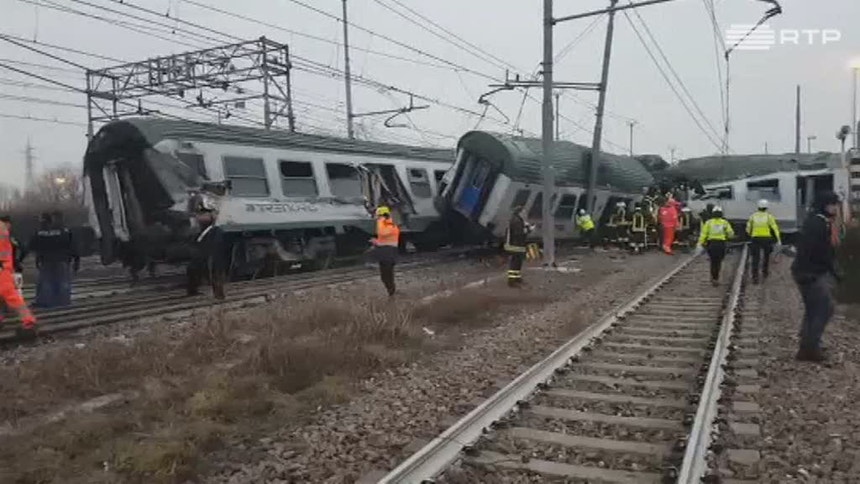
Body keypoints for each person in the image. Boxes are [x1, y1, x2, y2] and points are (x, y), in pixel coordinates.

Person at [791, 191, 841, 362]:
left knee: (814, 310)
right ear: (824, 205)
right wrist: (832, 271)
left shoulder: (817, 221)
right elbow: (818, 251)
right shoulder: (818, 224)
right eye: (832, 204)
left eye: (835, 204)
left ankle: (807, 346)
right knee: (824, 309)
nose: (835, 207)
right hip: (811, 273)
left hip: (807, 271)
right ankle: (810, 348)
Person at [24, 211, 79, 308]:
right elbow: (73, 247)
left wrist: (35, 257)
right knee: (63, 281)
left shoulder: (41, 233)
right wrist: (76, 261)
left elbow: (32, 246)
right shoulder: (65, 232)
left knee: (46, 281)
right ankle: (63, 301)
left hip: (46, 261)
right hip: (62, 260)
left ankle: (45, 302)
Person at [0, 215, 37, 337]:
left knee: (12, 297)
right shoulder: (3, 228)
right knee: (9, 296)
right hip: (5, 268)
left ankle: (29, 321)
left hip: (2, 269)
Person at [187, 201, 226, 300]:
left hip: (212, 257)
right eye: (200, 215)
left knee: (215, 275)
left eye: (204, 215)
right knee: (193, 271)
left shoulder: (216, 231)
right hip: (199, 256)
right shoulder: (199, 231)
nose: (200, 218)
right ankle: (193, 290)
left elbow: (216, 245)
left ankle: (218, 295)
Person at [695, 206, 735, 286]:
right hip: (721, 244)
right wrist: (728, 236)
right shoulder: (724, 223)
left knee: (713, 262)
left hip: (711, 244)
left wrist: (700, 243)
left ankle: (714, 277)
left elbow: (703, 234)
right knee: (719, 261)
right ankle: (717, 277)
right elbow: (731, 234)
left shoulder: (709, 223)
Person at [746, 199, 782, 284]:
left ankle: (755, 277)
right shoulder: (769, 216)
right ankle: (765, 272)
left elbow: (748, 228)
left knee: (755, 258)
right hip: (766, 239)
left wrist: (750, 234)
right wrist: (778, 239)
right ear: (766, 207)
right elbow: (775, 228)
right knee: (766, 256)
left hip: (755, 238)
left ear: (758, 207)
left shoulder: (753, 216)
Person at [371, 205, 400, 296]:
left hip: (389, 253)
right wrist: (376, 242)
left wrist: (380, 221)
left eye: (378, 216)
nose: (377, 218)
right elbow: (384, 239)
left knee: (388, 275)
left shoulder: (391, 226)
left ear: (383, 216)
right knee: (384, 276)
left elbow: (382, 233)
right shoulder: (385, 225)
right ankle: (391, 291)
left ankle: (392, 292)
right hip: (384, 253)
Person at [504, 205, 530, 287]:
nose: (525, 214)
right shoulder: (517, 221)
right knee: (515, 262)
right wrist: (528, 230)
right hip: (515, 245)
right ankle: (512, 281)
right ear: (520, 212)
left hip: (516, 245)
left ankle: (517, 278)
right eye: (524, 212)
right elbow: (519, 233)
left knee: (518, 262)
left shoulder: (517, 220)